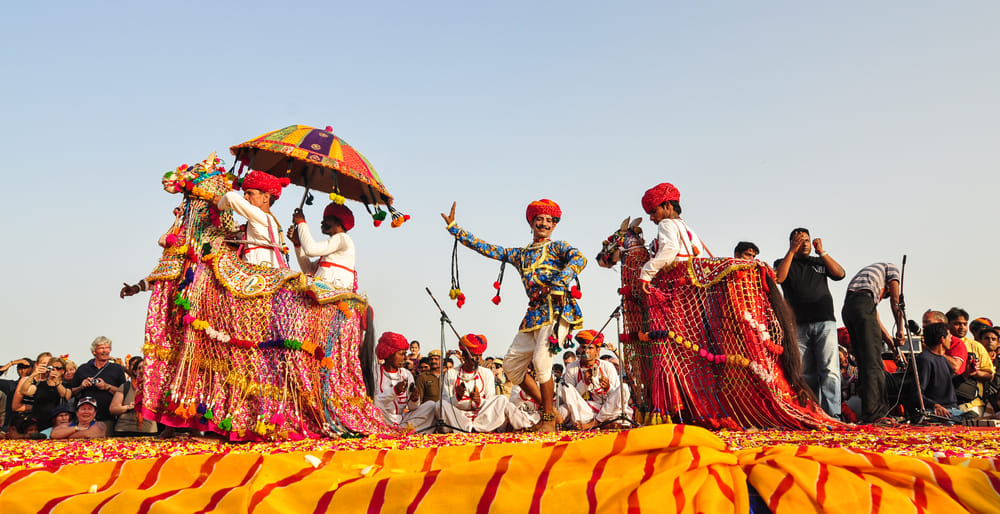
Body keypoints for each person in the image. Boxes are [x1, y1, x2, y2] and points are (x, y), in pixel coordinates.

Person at [441, 199, 586, 432]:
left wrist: (560, 282)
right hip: (534, 314)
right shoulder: (521, 255)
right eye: (539, 219)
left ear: (555, 225)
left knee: (541, 362)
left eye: (549, 220)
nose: (544, 223)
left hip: (557, 311)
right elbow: (489, 249)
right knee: (511, 365)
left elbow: (579, 259)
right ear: (531, 222)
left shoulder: (559, 247)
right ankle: (551, 411)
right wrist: (455, 229)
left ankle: (547, 418)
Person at [773, 227, 846, 419]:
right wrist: (791, 251)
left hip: (825, 322)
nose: (803, 243)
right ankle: (813, 413)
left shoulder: (819, 262)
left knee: (829, 370)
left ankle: (834, 415)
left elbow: (840, 274)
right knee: (805, 373)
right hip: (797, 325)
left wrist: (822, 251)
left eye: (806, 240)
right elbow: (779, 278)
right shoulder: (782, 262)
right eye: (799, 240)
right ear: (791, 243)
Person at [841, 263, 904, 424]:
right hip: (862, 306)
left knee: (865, 362)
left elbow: (874, 318)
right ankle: (877, 415)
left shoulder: (867, 282)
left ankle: (869, 413)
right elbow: (896, 301)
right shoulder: (892, 269)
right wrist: (900, 329)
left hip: (849, 309)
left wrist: (892, 345)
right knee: (874, 364)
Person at [638, 182, 709, 294]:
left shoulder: (666, 223)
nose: (651, 218)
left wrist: (647, 273)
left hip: (676, 287)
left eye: (653, 212)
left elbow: (670, 249)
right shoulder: (687, 228)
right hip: (693, 289)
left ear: (667, 205)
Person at [215, 170, 291, 268]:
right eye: (245, 193)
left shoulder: (261, 216)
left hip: (258, 274)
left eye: (250, 193)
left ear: (266, 197)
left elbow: (230, 197)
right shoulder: (266, 219)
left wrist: (219, 204)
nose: (245, 197)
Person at [562, 330, 633, 429]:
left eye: (590, 348)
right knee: (566, 388)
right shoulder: (572, 368)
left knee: (624, 388)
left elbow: (616, 397)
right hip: (585, 411)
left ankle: (596, 423)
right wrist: (584, 383)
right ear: (579, 348)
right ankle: (604, 423)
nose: (586, 351)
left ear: (598, 350)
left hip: (608, 410)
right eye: (583, 347)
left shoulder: (607, 366)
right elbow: (571, 398)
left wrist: (608, 388)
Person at [439, 334, 510, 433]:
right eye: (474, 355)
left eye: (480, 355)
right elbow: (445, 401)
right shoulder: (451, 373)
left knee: (501, 399)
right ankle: (467, 428)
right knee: (439, 405)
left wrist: (480, 401)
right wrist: (457, 397)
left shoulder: (486, 373)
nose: (478, 359)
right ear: (464, 356)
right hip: (459, 417)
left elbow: (491, 401)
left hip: (481, 417)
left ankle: (477, 428)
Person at [372, 332, 436, 432]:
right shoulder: (374, 372)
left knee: (431, 406)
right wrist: (394, 392)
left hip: (403, 419)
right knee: (373, 404)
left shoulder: (406, 374)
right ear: (389, 355)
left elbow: (412, 407)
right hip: (382, 419)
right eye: (402, 354)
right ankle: (400, 430)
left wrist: (414, 399)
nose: (405, 358)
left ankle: (401, 430)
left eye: (405, 354)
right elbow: (375, 402)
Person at [288, 202, 358, 291]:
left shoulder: (342, 238)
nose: (322, 222)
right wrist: (297, 244)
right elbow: (308, 269)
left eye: (326, 219)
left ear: (337, 221)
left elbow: (310, 250)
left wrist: (301, 223)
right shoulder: (333, 250)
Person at [911, 323, 965, 422]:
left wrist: (967, 375)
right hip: (937, 412)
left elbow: (948, 385)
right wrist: (935, 405)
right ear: (942, 339)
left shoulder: (943, 359)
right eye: (949, 337)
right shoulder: (925, 360)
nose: (951, 340)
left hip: (953, 411)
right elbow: (916, 392)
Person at [70, 337, 126, 429]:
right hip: (85, 419)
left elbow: (124, 393)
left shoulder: (117, 368)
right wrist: (81, 386)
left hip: (108, 418)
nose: (105, 351)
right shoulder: (83, 368)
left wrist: (106, 386)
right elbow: (71, 392)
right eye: (101, 348)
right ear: (94, 352)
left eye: (107, 348)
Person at [18, 357, 71, 430]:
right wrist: (33, 375)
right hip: (38, 423)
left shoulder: (66, 385)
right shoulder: (40, 384)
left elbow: (65, 396)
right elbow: (24, 391)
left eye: (58, 368)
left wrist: (56, 381)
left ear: (63, 371)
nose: (54, 370)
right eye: (52, 368)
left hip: (56, 425)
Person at [109, 357, 157, 436]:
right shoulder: (125, 387)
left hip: (149, 431)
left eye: (147, 367)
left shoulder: (155, 389)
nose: (143, 371)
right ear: (135, 372)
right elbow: (113, 409)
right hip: (125, 430)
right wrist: (128, 407)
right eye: (140, 368)